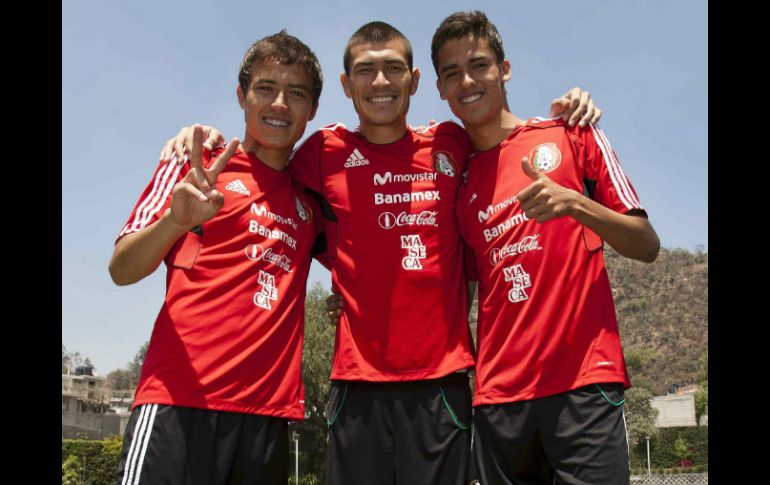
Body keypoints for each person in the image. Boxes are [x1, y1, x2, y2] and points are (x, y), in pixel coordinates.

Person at [161, 21, 601, 485]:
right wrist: (206, 139)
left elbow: (503, 145)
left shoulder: (449, 142)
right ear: (347, 85)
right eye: (366, 71)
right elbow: (267, 182)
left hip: (442, 385)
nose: (380, 82)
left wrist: (569, 111)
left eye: (393, 68)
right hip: (357, 385)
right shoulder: (323, 152)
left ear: (413, 82)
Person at [430, 10, 661, 484]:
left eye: (479, 65)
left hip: (584, 387)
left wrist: (576, 204)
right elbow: (463, 290)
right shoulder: (461, 179)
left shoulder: (571, 133)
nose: (467, 81)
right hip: (498, 401)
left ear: (505, 69)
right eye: (452, 73)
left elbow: (647, 244)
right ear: (440, 90)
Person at [108, 31, 326, 485]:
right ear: (241, 96)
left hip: (266, 420)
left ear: (312, 112)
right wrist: (174, 222)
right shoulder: (197, 165)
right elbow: (121, 269)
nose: (280, 104)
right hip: (177, 404)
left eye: (296, 93)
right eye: (266, 88)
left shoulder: (312, 203)